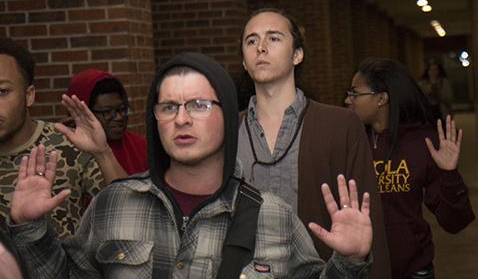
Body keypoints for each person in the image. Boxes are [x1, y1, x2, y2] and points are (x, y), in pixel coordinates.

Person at [7, 52, 373, 278]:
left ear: (228, 115)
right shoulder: (113, 205)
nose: (182, 118)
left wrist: (350, 262)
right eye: (169, 107)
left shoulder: (272, 217)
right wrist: (30, 229)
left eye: (199, 105)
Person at [237, 8, 391, 278]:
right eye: (251, 41)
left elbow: (369, 222)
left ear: (297, 55)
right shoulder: (226, 131)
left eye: (273, 38)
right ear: (244, 61)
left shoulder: (340, 126)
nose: (260, 47)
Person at [345, 58, 475, 279]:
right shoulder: (349, 143)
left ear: (382, 98)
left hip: (413, 270)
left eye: (355, 93)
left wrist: (449, 174)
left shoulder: (421, 143)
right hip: (362, 271)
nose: (348, 100)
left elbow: (454, 222)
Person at [0, 38, 126, 240]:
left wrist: (103, 153)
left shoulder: (67, 144)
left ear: (29, 95)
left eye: (2, 91)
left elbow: (129, 210)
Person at [66, 69, 148, 175]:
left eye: (122, 109)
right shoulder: (65, 151)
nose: (118, 117)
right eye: (107, 112)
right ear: (83, 113)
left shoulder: (142, 148)